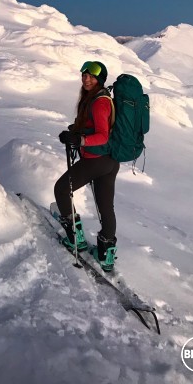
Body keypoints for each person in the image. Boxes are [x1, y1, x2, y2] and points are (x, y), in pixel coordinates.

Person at [54, 60, 119, 271]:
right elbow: (94, 127)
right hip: (110, 162)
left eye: (91, 76)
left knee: (62, 189)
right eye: (84, 74)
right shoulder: (100, 99)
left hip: (96, 160)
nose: (86, 79)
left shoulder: (99, 102)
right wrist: (76, 131)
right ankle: (106, 255)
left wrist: (79, 141)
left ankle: (76, 238)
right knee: (105, 207)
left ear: (100, 80)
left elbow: (102, 135)